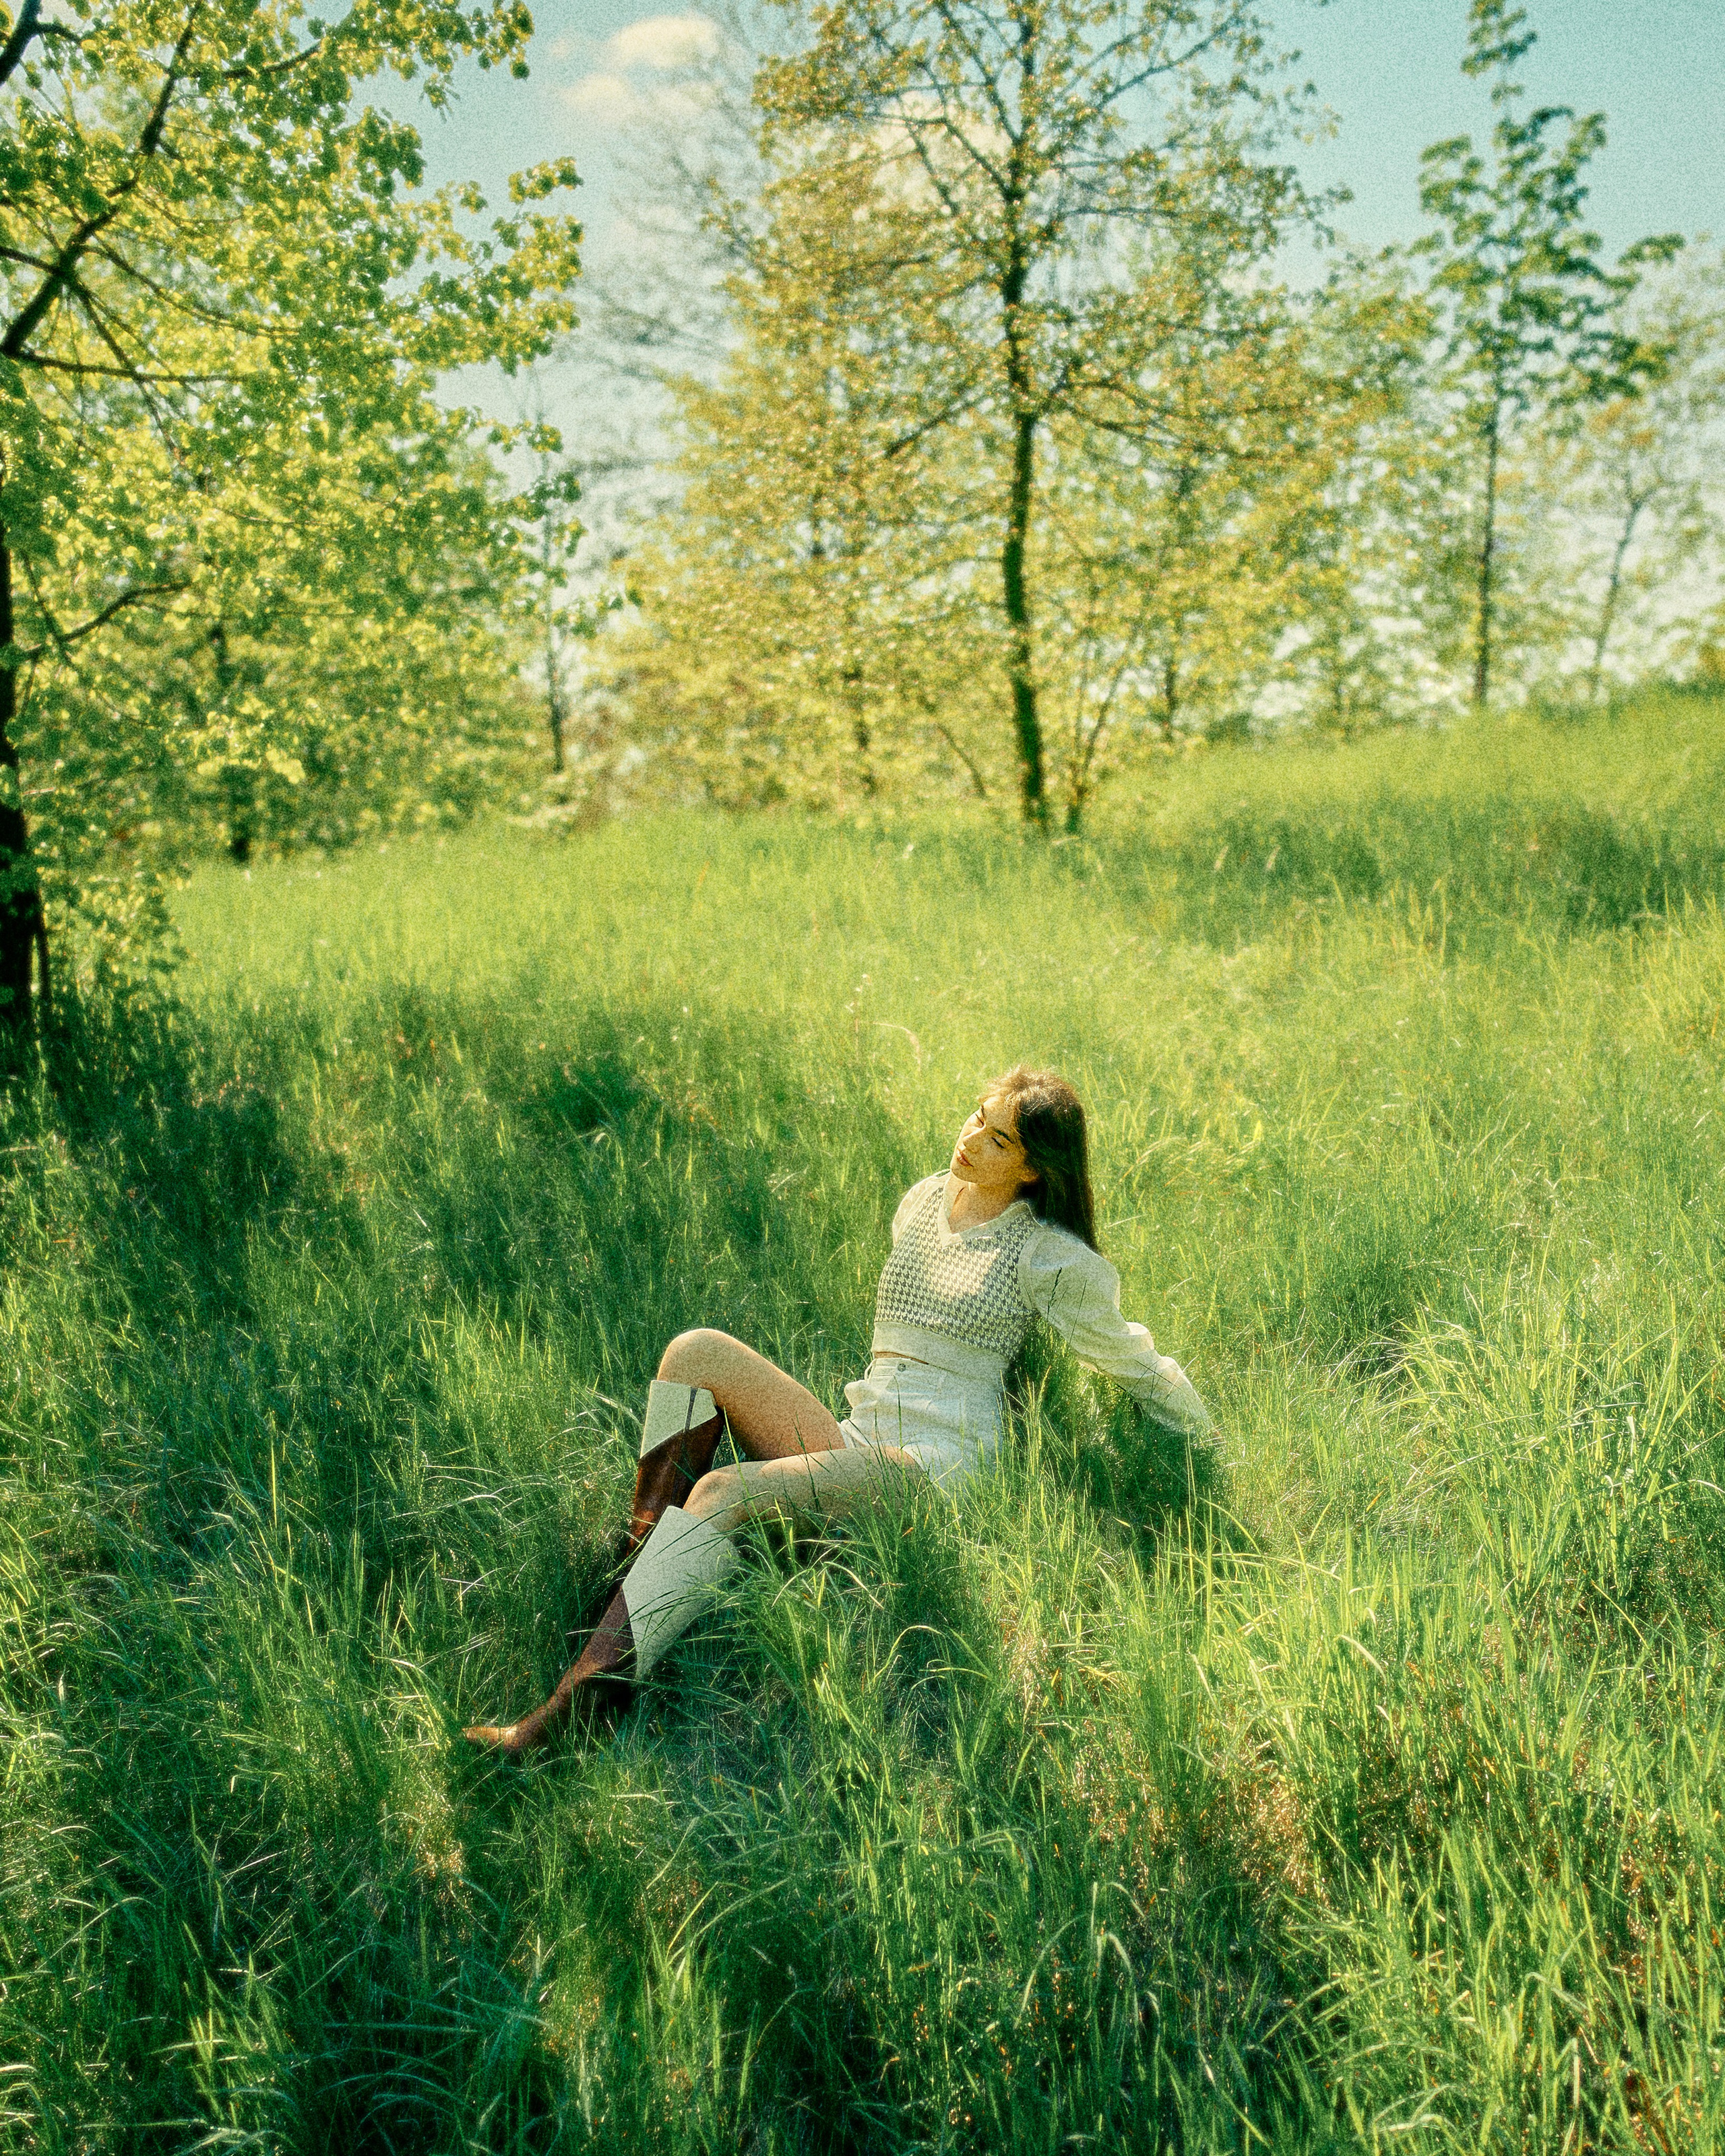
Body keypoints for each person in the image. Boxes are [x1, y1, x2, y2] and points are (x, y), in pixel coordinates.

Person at [463, 1065, 1213, 1755]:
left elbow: (1132, 1357)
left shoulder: (1047, 1256)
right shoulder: (923, 1198)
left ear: (1032, 1167)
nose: (971, 1139)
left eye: (998, 1138)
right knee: (694, 1352)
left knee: (722, 1489)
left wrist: (1204, 1440)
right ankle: (634, 1578)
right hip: (857, 1436)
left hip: (938, 1465)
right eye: (975, 1116)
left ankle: (576, 1709)